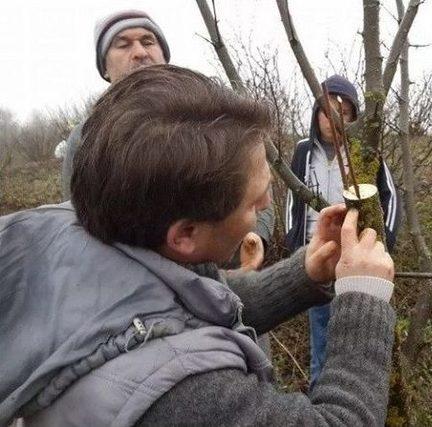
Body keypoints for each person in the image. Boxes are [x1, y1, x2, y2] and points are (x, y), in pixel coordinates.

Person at [0, 65, 397, 426]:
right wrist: (365, 297)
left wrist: (304, 273)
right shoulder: (187, 393)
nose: (265, 205)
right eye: (252, 200)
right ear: (185, 235)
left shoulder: (83, 238)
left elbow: (185, 305)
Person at [59, 9, 274, 272]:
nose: (139, 52)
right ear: (104, 67)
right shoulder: (86, 140)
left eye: (148, 41)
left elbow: (258, 188)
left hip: (227, 276)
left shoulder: (208, 118)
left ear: (165, 55)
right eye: (123, 44)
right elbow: (84, 227)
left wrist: (254, 233)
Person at [284, 74, 401, 386]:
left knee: (358, 331)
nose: (333, 118)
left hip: (354, 258)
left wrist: (383, 242)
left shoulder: (364, 152)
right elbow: (292, 196)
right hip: (317, 255)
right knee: (321, 333)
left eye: (343, 112)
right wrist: (293, 243)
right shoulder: (303, 152)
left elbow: (389, 194)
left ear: (353, 116)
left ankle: (356, 395)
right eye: (327, 111)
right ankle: (320, 398)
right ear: (316, 114)